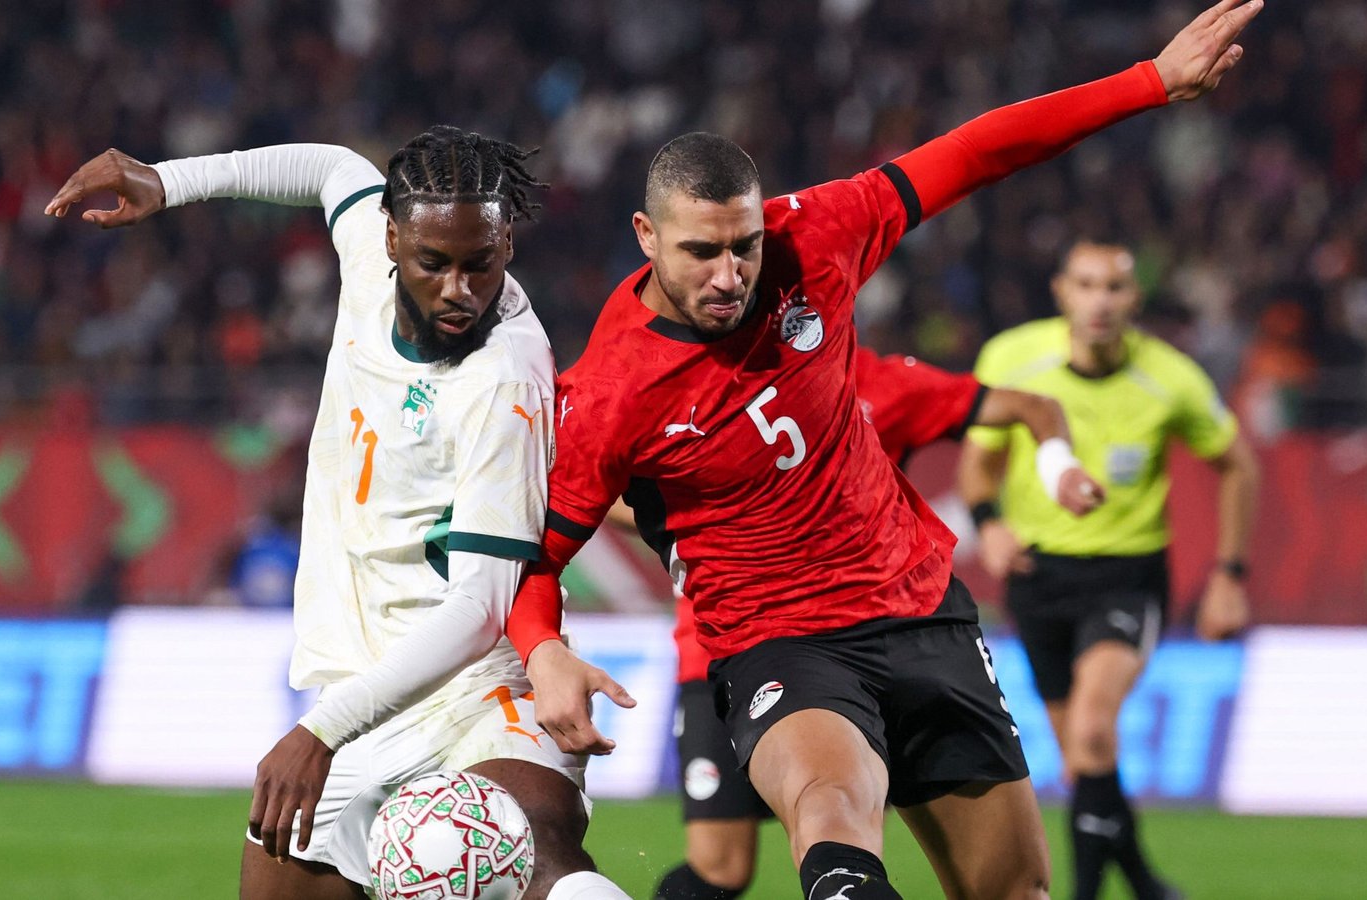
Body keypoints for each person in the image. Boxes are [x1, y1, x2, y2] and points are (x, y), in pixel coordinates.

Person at [509, 3, 1261, 897]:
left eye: (743, 247)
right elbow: (537, 560)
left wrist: (1148, 83)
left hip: (919, 608)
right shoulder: (608, 392)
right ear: (645, 237)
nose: (728, 275)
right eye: (700, 251)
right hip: (778, 639)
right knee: (830, 809)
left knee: (1014, 889)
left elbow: (976, 150)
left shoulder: (816, 236)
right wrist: (543, 648)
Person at [46, 130, 630, 900]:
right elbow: (330, 168)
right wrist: (169, 180)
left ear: (507, 242)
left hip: (476, 691)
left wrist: (320, 731)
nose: (459, 288)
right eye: (434, 264)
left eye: (479, 263)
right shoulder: (366, 250)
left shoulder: (504, 379)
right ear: (391, 238)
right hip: (365, 688)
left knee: (537, 865)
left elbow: (482, 607)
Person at [651, 346, 1102, 900]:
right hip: (742, 645)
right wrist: (676, 514)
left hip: (898, 626)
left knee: (1001, 882)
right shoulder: (676, 387)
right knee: (724, 864)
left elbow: (1031, 407)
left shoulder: (884, 382)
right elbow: (599, 482)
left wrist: (1054, 468)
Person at [958, 237, 1260, 900]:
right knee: (1083, 761)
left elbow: (1239, 463)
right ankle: (1148, 884)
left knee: (1094, 730)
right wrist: (990, 526)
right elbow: (977, 464)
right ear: (1062, 292)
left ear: (1134, 299)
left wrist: (1229, 573)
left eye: (1114, 287)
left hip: (1126, 576)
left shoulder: (1170, 377)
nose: (1100, 301)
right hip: (1038, 579)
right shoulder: (1013, 358)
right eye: (1087, 285)